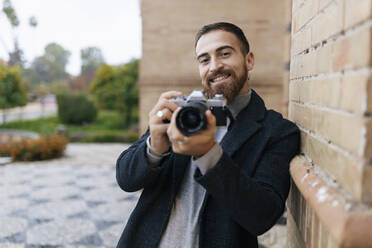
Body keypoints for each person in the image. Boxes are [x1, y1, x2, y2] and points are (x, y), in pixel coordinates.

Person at [116, 22, 300, 248]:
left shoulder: (278, 131)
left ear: (249, 60)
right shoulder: (182, 113)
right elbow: (126, 179)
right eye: (204, 59)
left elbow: (263, 216)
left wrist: (208, 155)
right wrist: (153, 148)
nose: (214, 66)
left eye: (224, 54)